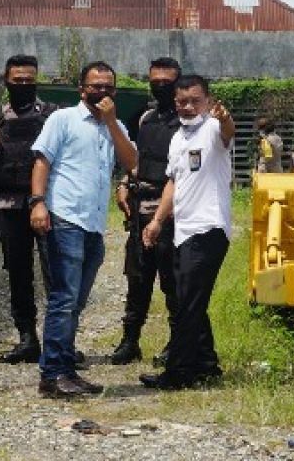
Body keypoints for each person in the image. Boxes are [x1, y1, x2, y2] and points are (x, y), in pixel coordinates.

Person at [30, 61, 138, 398]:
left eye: (108, 86)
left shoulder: (114, 125)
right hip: (64, 217)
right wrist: (37, 202)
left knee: (75, 302)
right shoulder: (62, 119)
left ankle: (66, 369)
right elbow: (42, 161)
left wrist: (111, 123)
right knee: (63, 299)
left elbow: (132, 162)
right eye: (95, 86)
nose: (101, 91)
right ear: (82, 89)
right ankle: (51, 376)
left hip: (93, 224)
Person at [140, 74, 235, 390]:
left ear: (208, 101)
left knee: (186, 304)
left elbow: (226, 132)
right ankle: (206, 364)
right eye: (182, 101)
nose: (189, 106)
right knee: (186, 298)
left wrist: (224, 119)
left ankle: (179, 372)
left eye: (196, 100)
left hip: (208, 229)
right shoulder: (178, 138)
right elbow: (173, 182)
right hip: (183, 231)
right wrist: (156, 221)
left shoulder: (212, 129)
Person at [110, 57, 182, 365]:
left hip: (174, 213)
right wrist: (125, 183)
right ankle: (130, 341)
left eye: (168, 82)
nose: (161, 87)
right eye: (156, 82)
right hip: (141, 208)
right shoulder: (146, 119)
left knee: (172, 281)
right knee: (137, 278)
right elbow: (138, 159)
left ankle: (176, 343)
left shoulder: (188, 121)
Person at [0, 54, 59, 364]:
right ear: (6, 81)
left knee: (54, 274)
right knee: (18, 273)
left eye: (29, 80)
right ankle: (27, 338)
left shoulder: (51, 114)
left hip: (44, 204)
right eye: (18, 81)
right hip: (9, 204)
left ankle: (60, 340)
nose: (24, 86)